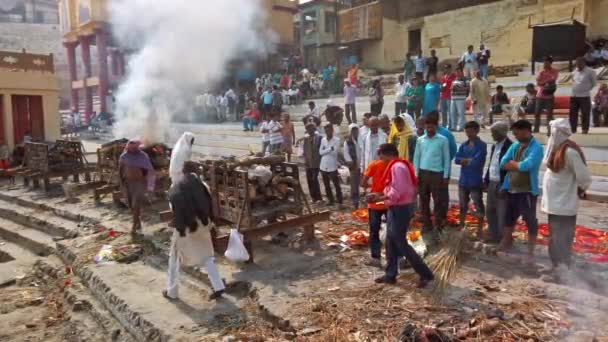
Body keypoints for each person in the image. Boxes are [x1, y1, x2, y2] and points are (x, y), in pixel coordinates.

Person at [369, 144, 434, 287]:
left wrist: (380, 198)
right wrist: (380, 195)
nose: (380, 158)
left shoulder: (397, 167)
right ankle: (390, 274)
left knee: (401, 243)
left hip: (400, 207)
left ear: (388, 154)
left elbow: (398, 191)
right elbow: (394, 189)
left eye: (381, 155)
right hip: (396, 206)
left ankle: (426, 274)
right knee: (390, 241)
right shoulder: (397, 166)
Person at [163, 159, 225, 301]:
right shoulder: (203, 185)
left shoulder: (175, 186)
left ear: (183, 172)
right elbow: (209, 203)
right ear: (195, 171)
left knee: (174, 258)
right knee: (207, 256)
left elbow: (173, 208)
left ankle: (172, 292)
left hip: (185, 228)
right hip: (203, 225)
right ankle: (218, 286)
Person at [541, 119, 592, 280]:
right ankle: (556, 268)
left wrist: (579, 190)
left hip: (565, 205)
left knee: (561, 240)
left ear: (558, 133)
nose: (549, 135)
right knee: (554, 239)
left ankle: (562, 273)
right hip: (554, 205)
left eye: (551, 132)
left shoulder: (570, 152)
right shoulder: (555, 150)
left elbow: (584, 178)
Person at [499, 120, 544, 264]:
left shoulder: (536, 148)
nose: (515, 136)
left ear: (526, 131)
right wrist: (515, 165)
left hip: (527, 191)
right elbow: (502, 163)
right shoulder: (515, 145)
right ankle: (505, 243)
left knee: (530, 220)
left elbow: (527, 165)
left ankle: (530, 251)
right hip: (511, 189)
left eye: (517, 133)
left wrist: (513, 164)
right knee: (509, 218)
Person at [413, 116, 451, 233]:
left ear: (436, 127)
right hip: (423, 174)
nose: (429, 129)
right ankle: (427, 224)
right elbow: (417, 158)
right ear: (425, 127)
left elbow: (447, 158)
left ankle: (438, 225)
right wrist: (416, 174)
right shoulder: (420, 140)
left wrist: (445, 176)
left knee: (438, 201)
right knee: (424, 200)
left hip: (437, 174)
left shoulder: (442, 140)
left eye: (431, 127)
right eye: (427, 126)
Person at [455, 121, 487, 234]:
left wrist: (465, 160)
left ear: (477, 131)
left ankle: (479, 228)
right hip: (464, 180)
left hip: (475, 180)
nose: (468, 134)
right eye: (467, 132)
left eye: (470, 132)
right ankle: (461, 225)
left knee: (478, 204)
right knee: (463, 204)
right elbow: (456, 159)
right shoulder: (464, 144)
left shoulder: (482, 145)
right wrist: (468, 160)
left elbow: (477, 162)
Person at [483, 122, 512, 244]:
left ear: (500, 133)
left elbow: (510, 169)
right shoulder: (495, 146)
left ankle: (503, 238)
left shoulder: (510, 146)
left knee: (502, 212)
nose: (492, 135)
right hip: (492, 182)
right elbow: (492, 163)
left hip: (502, 183)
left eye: (494, 133)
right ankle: (493, 234)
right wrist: (486, 179)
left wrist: (505, 187)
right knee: (490, 210)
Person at [119, 139, 155, 234]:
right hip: (128, 183)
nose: (133, 149)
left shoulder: (143, 156)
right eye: (131, 148)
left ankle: (134, 225)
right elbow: (120, 170)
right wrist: (122, 183)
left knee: (136, 204)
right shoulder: (124, 156)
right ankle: (138, 222)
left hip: (139, 183)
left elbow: (150, 171)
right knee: (131, 205)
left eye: (135, 147)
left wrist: (150, 185)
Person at [361, 153, 388, 267]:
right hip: (387, 201)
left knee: (374, 231)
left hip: (375, 202)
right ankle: (396, 256)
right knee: (392, 230)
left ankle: (376, 258)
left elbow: (363, 182)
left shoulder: (374, 164)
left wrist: (368, 190)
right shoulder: (394, 165)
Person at [570, 56, 597, 134]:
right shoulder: (574, 71)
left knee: (585, 113)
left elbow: (594, 83)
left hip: (584, 96)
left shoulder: (590, 71)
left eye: (579, 63)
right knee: (573, 114)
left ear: (584, 63)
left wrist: (585, 89)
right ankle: (573, 129)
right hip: (574, 96)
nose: (577, 65)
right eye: (577, 63)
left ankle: (585, 129)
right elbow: (572, 80)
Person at [319, 124, 343, 206]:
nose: (327, 132)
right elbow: (320, 152)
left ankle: (340, 200)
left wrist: (326, 150)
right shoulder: (323, 140)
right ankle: (330, 200)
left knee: (336, 184)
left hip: (332, 165)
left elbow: (335, 152)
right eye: (326, 130)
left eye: (329, 130)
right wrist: (329, 148)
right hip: (323, 165)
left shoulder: (337, 140)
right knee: (326, 185)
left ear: (332, 130)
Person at [534, 56, 559, 134]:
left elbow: (553, 80)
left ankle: (549, 130)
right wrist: (546, 82)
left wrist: (544, 81)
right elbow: (538, 82)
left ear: (550, 63)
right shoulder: (541, 72)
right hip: (540, 96)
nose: (544, 64)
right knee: (537, 113)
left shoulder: (554, 71)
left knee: (549, 115)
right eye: (544, 62)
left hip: (549, 96)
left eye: (546, 62)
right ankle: (536, 129)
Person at [299, 123, 323, 203]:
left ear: (314, 129)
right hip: (308, 163)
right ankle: (313, 198)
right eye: (308, 129)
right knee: (309, 180)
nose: (310, 130)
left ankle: (319, 198)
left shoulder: (319, 138)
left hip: (316, 162)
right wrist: (305, 161)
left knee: (315, 179)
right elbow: (304, 152)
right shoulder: (306, 139)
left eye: (311, 128)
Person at [343, 124, 361, 208]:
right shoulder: (347, 141)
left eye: (356, 130)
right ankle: (355, 201)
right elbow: (346, 152)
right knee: (354, 184)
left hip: (362, 164)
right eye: (353, 130)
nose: (354, 132)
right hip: (353, 165)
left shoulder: (362, 139)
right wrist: (349, 161)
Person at [450, 67, 470, 131]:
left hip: (461, 98)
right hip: (453, 98)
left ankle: (461, 127)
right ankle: (454, 127)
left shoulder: (465, 79)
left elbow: (467, 88)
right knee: (453, 113)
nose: (457, 73)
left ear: (462, 72)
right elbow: (451, 88)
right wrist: (452, 88)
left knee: (461, 113)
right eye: (456, 72)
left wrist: (458, 88)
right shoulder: (455, 79)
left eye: (459, 72)